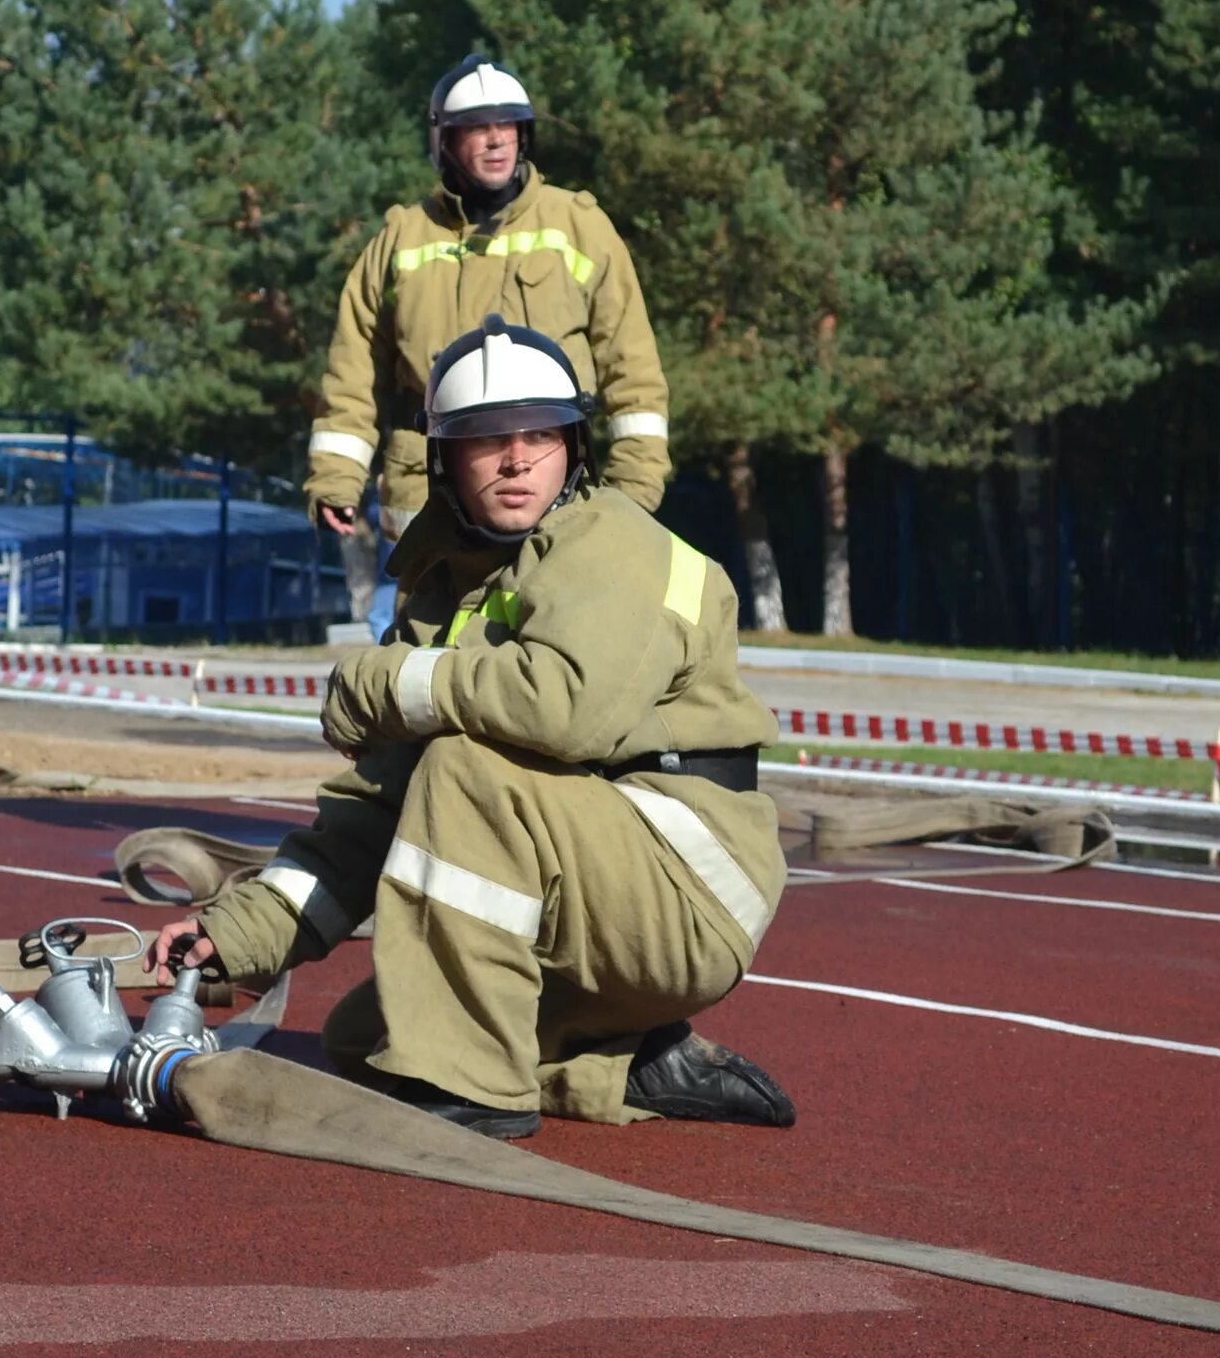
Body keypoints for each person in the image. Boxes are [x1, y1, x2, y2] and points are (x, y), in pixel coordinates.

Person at [152, 315, 788, 1140]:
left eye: (540, 434)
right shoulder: (446, 590)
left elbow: (566, 710)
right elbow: (369, 811)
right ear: (446, 459)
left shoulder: (619, 546)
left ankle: (478, 1090)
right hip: (588, 883)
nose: (518, 458)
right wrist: (232, 940)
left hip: (687, 888)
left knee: (463, 769)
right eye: (488, 439)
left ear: (574, 447)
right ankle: (619, 1061)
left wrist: (382, 680)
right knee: (370, 1039)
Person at [305, 56, 673, 632]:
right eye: (478, 127)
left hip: (559, 504)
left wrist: (633, 489)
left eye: (509, 125)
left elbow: (634, 373)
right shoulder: (400, 239)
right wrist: (334, 477)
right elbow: (351, 375)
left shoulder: (580, 227)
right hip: (430, 514)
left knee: (552, 671)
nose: (497, 139)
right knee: (424, 679)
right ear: (444, 141)